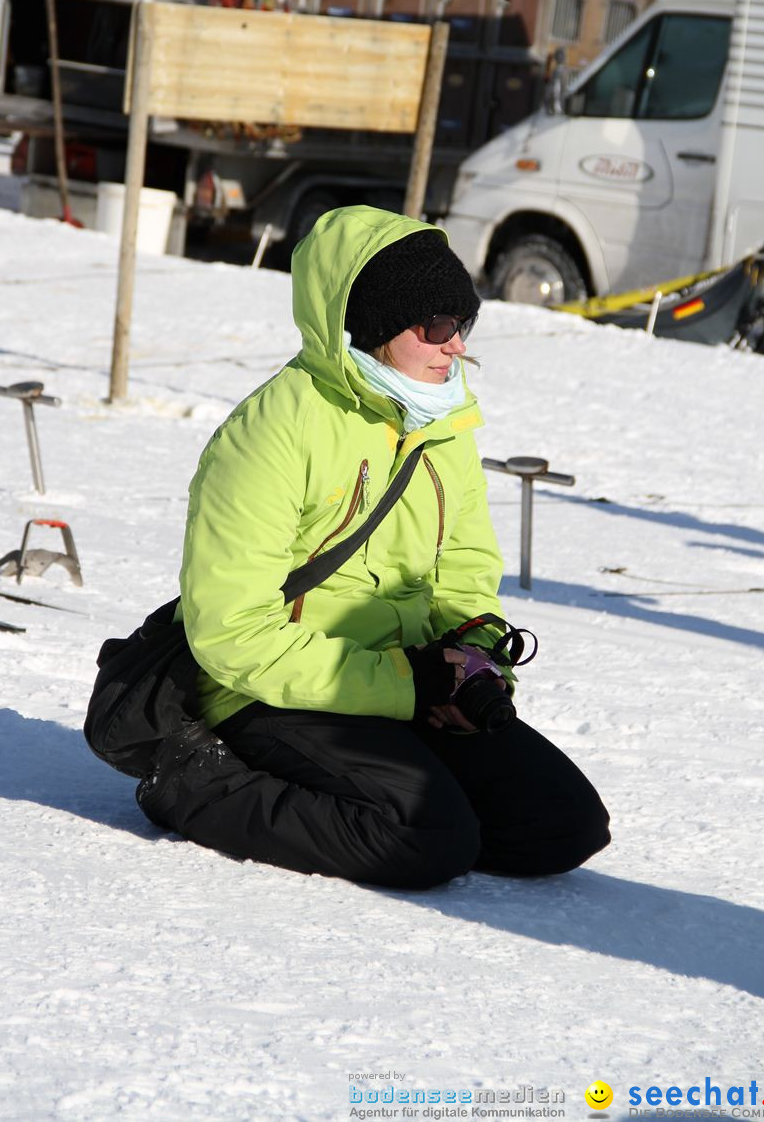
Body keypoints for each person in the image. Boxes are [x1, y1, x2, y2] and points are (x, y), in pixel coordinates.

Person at [135, 204, 610, 888]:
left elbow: (465, 573)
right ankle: (193, 785)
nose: (456, 347)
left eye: (464, 324)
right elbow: (233, 632)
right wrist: (409, 688)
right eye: (437, 325)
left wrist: (472, 662)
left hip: (402, 680)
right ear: (374, 327)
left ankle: (397, 800)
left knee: (564, 824)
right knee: (428, 837)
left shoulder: (442, 420)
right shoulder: (272, 432)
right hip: (271, 689)